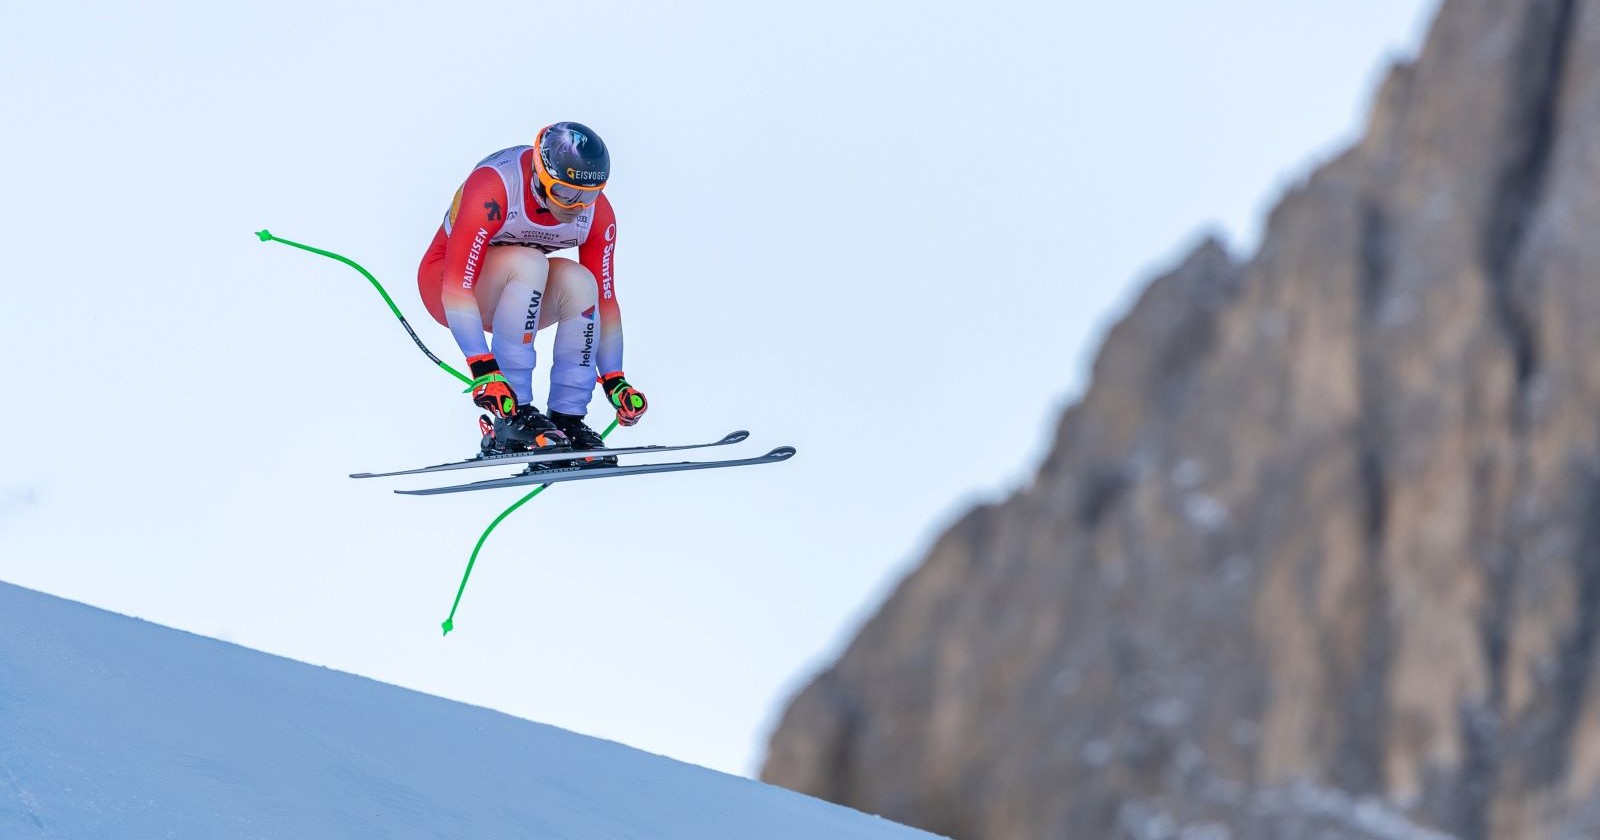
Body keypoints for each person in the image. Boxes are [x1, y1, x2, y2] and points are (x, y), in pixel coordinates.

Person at [416, 122, 648, 460]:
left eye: (590, 195)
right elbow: (456, 284)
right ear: (541, 175)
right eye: (565, 194)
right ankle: (512, 418)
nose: (577, 207)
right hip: (447, 287)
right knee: (530, 262)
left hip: (518, 296)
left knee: (582, 283)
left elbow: (607, 302)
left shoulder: (596, 214)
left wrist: (615, 378)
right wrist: (484, 370)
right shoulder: (495, 186)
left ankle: (567, 419)